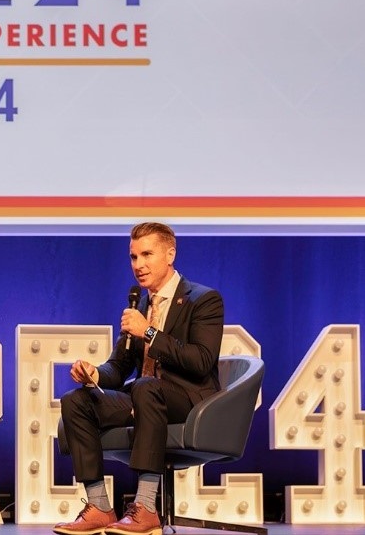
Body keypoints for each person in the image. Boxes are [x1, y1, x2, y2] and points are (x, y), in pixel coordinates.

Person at [54, 222, 224, 535]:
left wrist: (147, 331)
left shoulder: (204, 300)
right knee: (76, 401)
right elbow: (118, 368)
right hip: (145, 398)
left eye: (147, 254)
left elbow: (201, 362)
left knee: (146, 388)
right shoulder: (141, 304)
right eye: (133, 257)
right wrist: (94, 373)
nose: (138, 265)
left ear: (170, 253)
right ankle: (100, 507)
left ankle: (145, 508)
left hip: (189, 400)